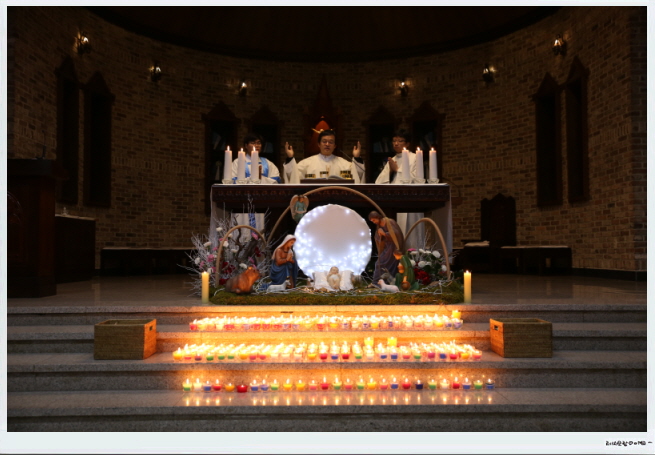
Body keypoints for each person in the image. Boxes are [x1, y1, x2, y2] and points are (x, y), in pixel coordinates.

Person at [374, 129, 425, 250]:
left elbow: (417, 180)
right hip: (393, 202)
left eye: (400, 141)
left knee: (411, 236)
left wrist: (397, 170)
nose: (396, 143)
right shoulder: (392, 160)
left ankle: (413, 258)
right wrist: (391, 171)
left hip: (411, 201)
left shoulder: (415, 158)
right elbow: (379, 182)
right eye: (394, 141)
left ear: (407, 144)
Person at [232, 133, 281, 234]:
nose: (257, 145)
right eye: (253, 143)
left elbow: (276, 180)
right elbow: (233, 181)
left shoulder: (267, 163)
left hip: (262, 202)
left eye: (259, 143)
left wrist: (260, 178)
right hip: (244, 202)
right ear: (246, 145)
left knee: (262, 230)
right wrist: (253, 179)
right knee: (243, 231)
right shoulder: (238, 162)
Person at [283, 130, 365, 183]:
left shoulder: (344, 164)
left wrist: (357, 158)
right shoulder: (306, 163)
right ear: (319, 144)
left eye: (331, 142)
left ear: (335, 146)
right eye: (324, 141)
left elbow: (358, 174)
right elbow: (293, 175)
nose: (327, 144)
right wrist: (290, 158)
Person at [368, 211, 404, 284]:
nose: (374, 222)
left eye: (374, 220)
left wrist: (384, 233)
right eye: (372, 221)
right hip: (387, 247)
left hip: (394, 248)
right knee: (379, 263)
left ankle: (385, 282)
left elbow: (396, 234)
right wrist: (379, 235)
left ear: (377, 217)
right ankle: (376, 282)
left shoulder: (390, 222)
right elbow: (378, 237)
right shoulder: (379, 226)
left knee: (389, 265)